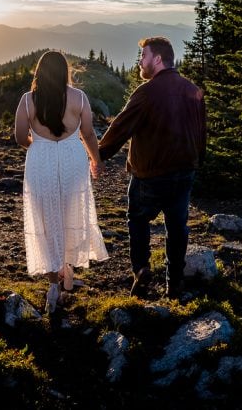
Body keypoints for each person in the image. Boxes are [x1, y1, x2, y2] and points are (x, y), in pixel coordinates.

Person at [97, 37, 206, 299]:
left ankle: (142, 269)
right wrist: (197, 161)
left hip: (150, 174)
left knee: (138, 220)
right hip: (184, 172)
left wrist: (97, 156)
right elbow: (201, 132)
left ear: (157, 59)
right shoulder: (192, 90)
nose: (139, 62)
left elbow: (120, 128)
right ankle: (175, 283)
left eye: (143, 56)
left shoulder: (146, 92)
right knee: (177, 227)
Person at [14, 51, 108, 313]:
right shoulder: (79, 98)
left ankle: (53, 283)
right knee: (70, 212)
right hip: (72, 159)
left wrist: (39, 146)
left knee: (46, 218)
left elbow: (20, 136)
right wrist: (96, 160)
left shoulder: (28, 100)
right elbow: (88, 133)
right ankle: (66, 269)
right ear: (65, 71)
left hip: (40, 161)